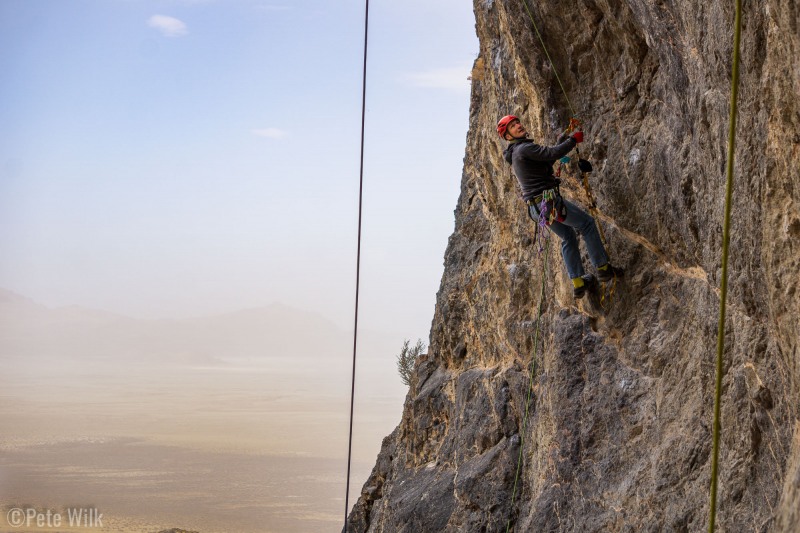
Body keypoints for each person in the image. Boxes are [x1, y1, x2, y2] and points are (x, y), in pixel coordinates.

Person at [497, 115, 623, 298]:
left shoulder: (517, 153)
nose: (519, 126)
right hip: (547, 203)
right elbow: (551, 154)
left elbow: (546, 160)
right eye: (513, 126)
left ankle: (579, 282)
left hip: (536, 209)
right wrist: (573, 140)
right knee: (586, 224)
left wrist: (560, 141)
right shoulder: (524, 148)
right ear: (508, 136)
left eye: (517, 123)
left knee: (567, 236)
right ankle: (603, 268)